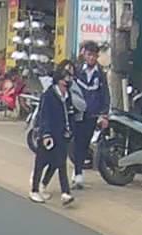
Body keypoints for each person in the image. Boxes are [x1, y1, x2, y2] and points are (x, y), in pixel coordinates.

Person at [31, 66, 75, 205]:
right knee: (41, 163)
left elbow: (70, 114)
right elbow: (44, 116)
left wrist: (70, 130)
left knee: (60, 163)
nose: (67, 83)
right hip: (48, 135)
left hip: (62, 135)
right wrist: (46, 134)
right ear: (58, 80)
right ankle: (34, 190)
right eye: (65, 80)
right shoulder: (49, 95)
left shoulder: (68, 97)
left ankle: (65, 192)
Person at [71, 40, 110, 189]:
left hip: (92, 114)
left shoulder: (100, 74)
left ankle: (78, 172)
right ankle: (77, 172)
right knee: (76, 142)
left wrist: (104, 114)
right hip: (77, 112)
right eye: (89, 55)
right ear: (84, 55)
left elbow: (105, 95)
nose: (92, 58)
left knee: (85, 143)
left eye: (94, 55)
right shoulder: (77, 70)